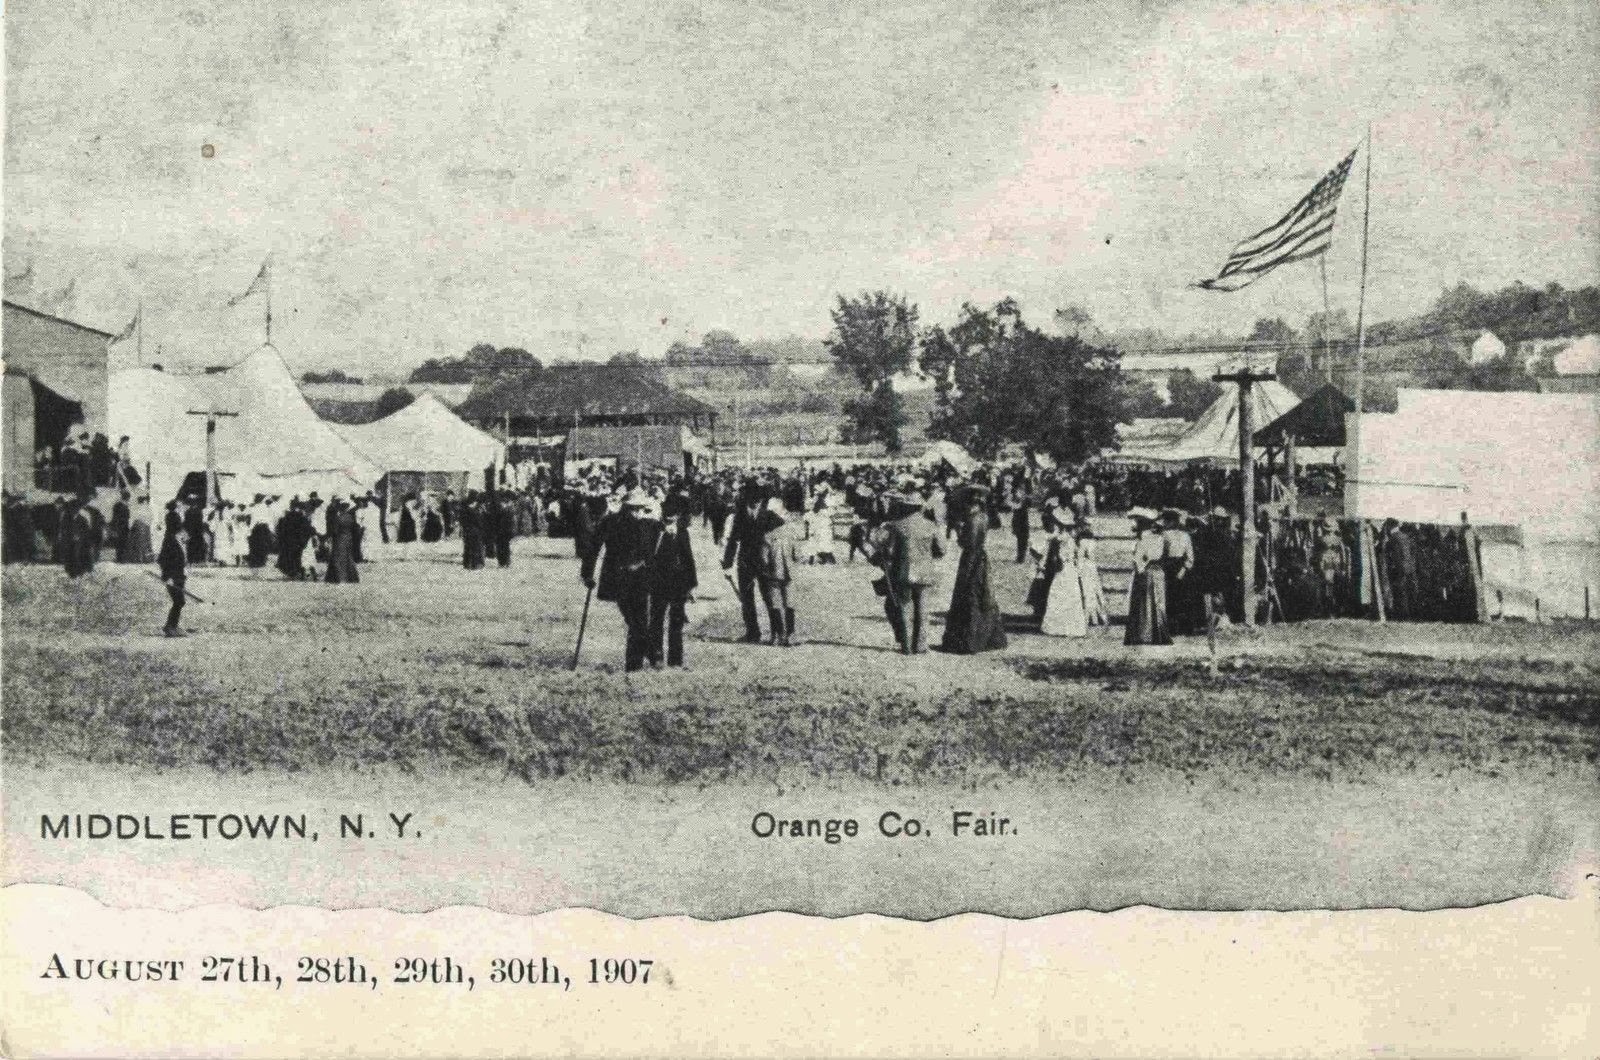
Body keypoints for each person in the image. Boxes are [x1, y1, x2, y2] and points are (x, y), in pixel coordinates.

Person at [581, 489, 662, 673]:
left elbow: (658, 549)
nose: (636, 512)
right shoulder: (610, 523)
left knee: (639, 620)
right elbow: (593, 548)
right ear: (625, 507)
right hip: (619, 578)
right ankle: (649, 655)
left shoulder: (648, 525)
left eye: (639, 508)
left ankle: (635, 664)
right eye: (633, 508)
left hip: (640, 578)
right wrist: (588, 574)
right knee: (634, 620)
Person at [940, 485, 1008, 654]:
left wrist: (958, 531)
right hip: (981, 556)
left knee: (967, 593)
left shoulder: (971, 519)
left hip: (970, 557)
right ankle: (988, 635)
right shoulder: (984, 517)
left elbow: (966, 542)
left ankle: (968, 639)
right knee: (982, 593)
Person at [877, 491, 946, 654]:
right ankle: (921, 645)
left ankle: (907, 645)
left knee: (905, 608)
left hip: (902, 572)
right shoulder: (931, 526)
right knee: (923, 609)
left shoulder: (896, 525)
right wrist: (928, 554)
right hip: (924, 572)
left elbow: (889, 550)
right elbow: (942, 550)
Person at [648, 495, 698, 668]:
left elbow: (688, 559)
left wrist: (691, 585)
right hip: (658, 582)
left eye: (673, 515)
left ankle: (675, 659)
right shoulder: (655, 529)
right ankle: (657, 656)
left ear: (678, 516)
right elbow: (649, 556)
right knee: (657, 620)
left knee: (676, 621)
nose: (669, 518)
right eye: (666, 514)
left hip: (678, 583)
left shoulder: (683, 533)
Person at [721, 488, 770, 643]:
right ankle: (753, 632)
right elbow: (733, 540)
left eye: (757, 502)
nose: (754, 505)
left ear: (761, 502)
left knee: (769, 596)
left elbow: (778, 536)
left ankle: (777, 632)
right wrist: (727, 563)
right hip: (745, 562)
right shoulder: (740, 516)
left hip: (764, 562)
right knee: (747, 598)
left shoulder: (769, 516)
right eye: (751, 503)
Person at [756, 504, 801, 646]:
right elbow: (798, 555)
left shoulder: (767, 537)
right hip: (789, 574)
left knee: (775, 605)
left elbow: (763, 558)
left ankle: (778, 636)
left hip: (773, 575)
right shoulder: (790, 533)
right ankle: (791, 635)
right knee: (789, 604)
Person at [1124, 509, 1171, 645]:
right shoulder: (1161, 538)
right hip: (1159, 571)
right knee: (1158, 602)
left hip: (1146, 572)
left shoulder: (1143, 540)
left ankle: (1144, 633)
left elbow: (1138, 560)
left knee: (1145, 603)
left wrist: (1140, 569)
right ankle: (1158, 631)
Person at [1039, 507, 1088, 637]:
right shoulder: (1070, 537)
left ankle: (1058, 626)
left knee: (1059, 593)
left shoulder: (1062, 538)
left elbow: (1050, 540)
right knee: (1070, 595)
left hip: (1064, 568)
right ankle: (1070, 626)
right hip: (1070, 568)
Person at [1158, 508, 1196, 635]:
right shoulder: (1165, 535)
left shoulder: (1181, 536)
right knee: (1172, 598)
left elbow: (1190, 556)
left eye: (1168, 521)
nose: (1166, 523)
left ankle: (1183, 627)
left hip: (1178, 565)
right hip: (1172, 566)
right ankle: (1175, 627)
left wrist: (1184, 569)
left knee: (1181, 597)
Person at [157, 509, 188, 637]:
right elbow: (162, 560)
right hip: (173, 577)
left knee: (179, 601)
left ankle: (171, 625)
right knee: (179, 601)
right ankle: (170, 627)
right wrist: (168, 577)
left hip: (179, 575)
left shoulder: (174, 539)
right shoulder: (169, 540)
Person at [1381, 519, 1419, 621]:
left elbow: (1395, 556)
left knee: (1399, 593)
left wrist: (1393, 569)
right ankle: (1409, 614)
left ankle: (1402, 616)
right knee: (1407, 592)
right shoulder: (1406, 537)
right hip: (1409, 568)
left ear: (1389, 526)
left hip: (1398, 569)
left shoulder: (1392, 540)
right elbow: (1412, 552)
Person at [1075, 524, 1108, 628]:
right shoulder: (1093, 542)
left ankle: (1088, 617)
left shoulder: (1082, 542)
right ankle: (1100, 617)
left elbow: (1081, 557)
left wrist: (1078, 570)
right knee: (1095, 591)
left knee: (1086, 591)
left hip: (1085, 567)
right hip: (1092, 566)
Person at [324, 499, 360, 584]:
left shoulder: (338, 518)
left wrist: (329, 536)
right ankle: (352, 577)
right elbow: (354, 528)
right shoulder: (350, 517)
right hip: (348, 538)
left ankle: (339, 578)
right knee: (348, 557)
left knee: (337, 558)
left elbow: (335, 531)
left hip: (339, 539)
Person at [460, 492, 486, 570]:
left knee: (467, 548)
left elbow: (462, 521)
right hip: (475, 532)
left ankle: (467, 564)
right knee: (476, 548)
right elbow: (479, 522)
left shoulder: (464, 510)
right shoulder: (475, 512)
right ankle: (475, 564)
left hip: (466, 531)